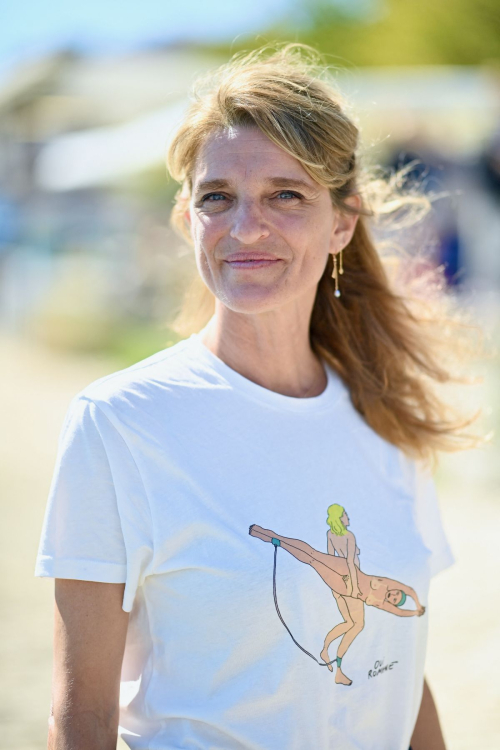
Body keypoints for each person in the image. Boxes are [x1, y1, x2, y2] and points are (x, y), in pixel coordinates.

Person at [35, 43, 481, 750]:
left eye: (286, 195)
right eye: (219, 197)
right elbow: (80, 713)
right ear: (188, 220)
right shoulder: (120, 424)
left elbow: (397, 679)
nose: (246, 228)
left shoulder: (386, 421)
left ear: (342, 221)